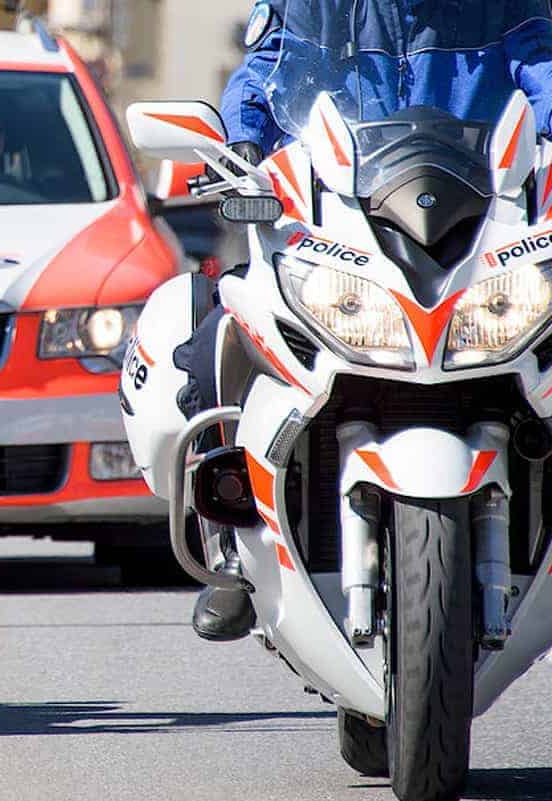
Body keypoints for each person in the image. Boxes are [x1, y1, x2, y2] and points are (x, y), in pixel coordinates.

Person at [184, 0, 552, 642]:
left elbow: (542, 66)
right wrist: (240, 143)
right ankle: (230, 551)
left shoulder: (501, 4)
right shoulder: (315, 5)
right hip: (344, 224)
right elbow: (266, 71)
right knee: (217, 335)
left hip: (481, 226)